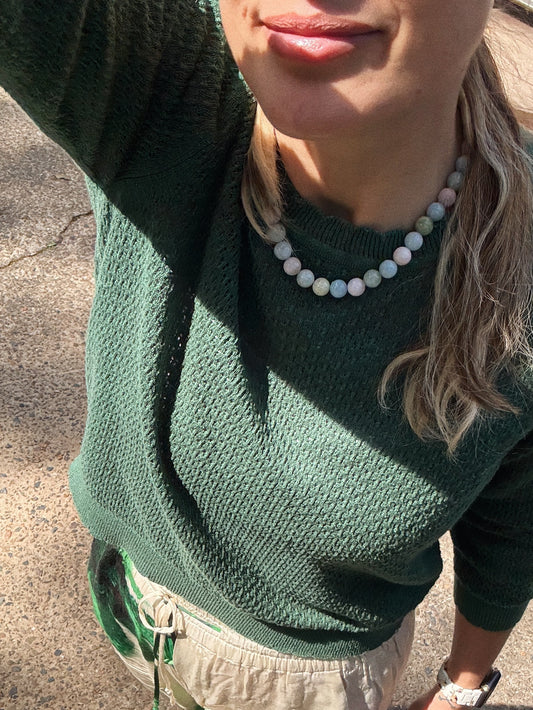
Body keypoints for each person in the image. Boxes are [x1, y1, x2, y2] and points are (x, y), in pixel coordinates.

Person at [0, 1, 532, 709]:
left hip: (306, 684)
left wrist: (462, 688)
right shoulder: (167, 85)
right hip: (128, 600)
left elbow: (513, 518)